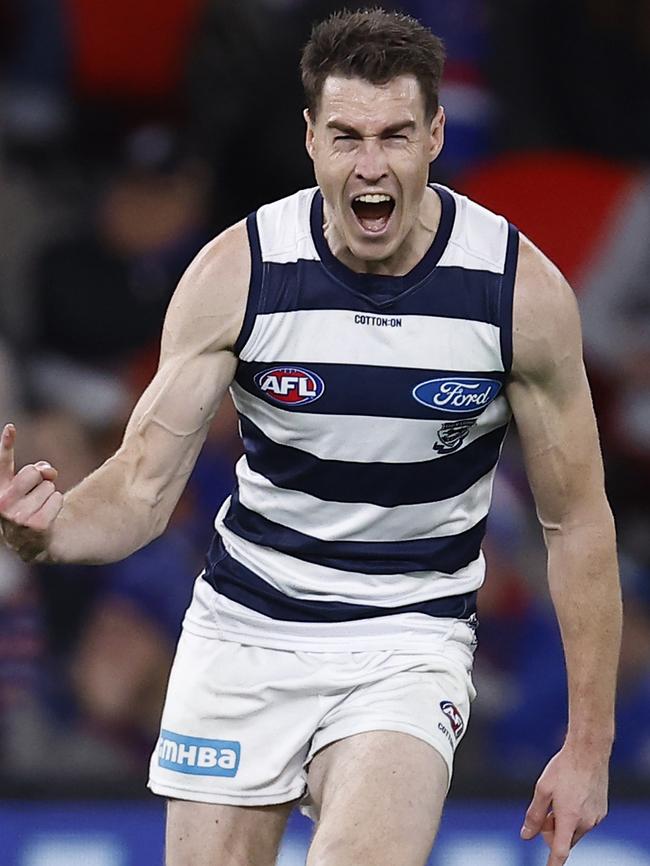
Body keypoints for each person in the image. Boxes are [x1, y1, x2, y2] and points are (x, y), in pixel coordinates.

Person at [0, 9, 622, 866]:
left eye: (397, 135)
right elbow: (141, 488)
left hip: (408, 640)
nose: (372, 165)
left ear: (436, 134)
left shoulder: (517, 293)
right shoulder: (238, 273)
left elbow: (577, 523)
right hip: (243, 632)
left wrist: (588, 746)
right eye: (348, 136)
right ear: (310, 139)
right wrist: (52, 527)